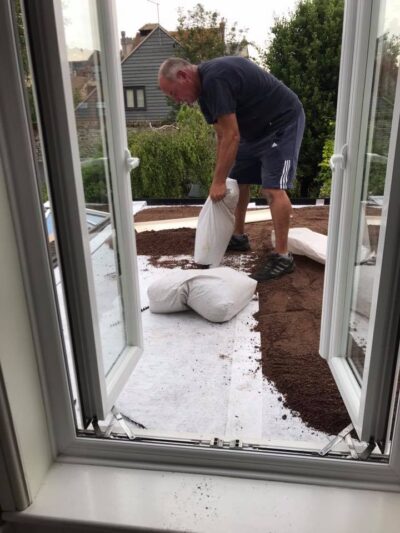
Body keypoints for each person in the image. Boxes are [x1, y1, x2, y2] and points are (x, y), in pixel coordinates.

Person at [158, 56, 305, 281]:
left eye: (173, 93)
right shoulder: (204, 96)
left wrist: (217, 182)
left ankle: (283, 257)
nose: (176, 100)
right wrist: (221, 177)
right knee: (236, 180)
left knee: (273, 187)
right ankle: (238, 236)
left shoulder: (216, 78)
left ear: (183, 76)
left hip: (282, 122)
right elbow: (222, 135)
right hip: (254, 130)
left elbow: (232, 135)